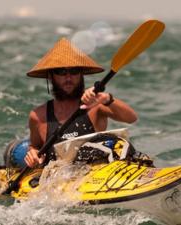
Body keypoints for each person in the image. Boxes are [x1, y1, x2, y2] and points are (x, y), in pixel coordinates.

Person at [24, 38, 138, 168]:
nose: (68, 78)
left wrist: (106, 99)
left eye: (74, 71)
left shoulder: (96, 106)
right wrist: (32, 153)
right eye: (61, 72)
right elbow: (35, 146)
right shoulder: (38, 116)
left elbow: (131, 118)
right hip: (59, 180)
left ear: (81, 73)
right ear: (51, 76)